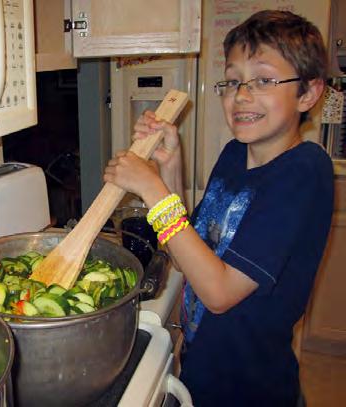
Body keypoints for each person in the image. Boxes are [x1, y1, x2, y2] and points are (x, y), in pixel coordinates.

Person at [104, 10, 334, 407]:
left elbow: (219, 292)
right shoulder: (234, 155)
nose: (241, 95)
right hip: (204, 370)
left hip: (251, 389)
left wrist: (153, 190)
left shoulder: (305, 172)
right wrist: (169, 168)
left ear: (309, 93)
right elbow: (188, 255)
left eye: (263, 80)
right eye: (232, 80)